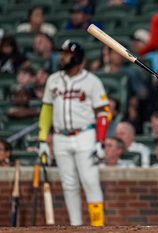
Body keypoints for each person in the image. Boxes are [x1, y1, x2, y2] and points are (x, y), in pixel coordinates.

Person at [37, 40, 111, 226]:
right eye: (62, 53)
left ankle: (98, 226)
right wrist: (43, 140)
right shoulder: (53, 80)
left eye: (66, 54)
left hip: (84, 135)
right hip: (61, 137)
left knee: (90, 181)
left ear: (77, 58)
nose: (62, 57)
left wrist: (100, 141)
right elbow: (46, 110)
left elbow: (104, 112)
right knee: (69, 185)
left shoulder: (92, 81)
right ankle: (75, 227)